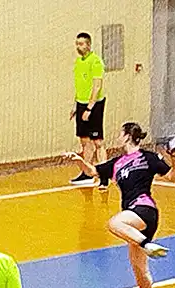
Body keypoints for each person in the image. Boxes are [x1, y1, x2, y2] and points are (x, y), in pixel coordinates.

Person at [63, 122, 175, 288]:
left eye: (120, 133)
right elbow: (92, 171)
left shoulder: (149, 157)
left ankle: (146, 244)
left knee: (114, 223)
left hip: (144, 209)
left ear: (127, 136)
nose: (117, 137)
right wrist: (79, 161)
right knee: (140, 270)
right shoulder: (116, 163)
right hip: (135, 223)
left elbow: (172, 177)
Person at [70, 32, 107, 185]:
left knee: (97, 142)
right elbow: (80, 86)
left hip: (94, 104)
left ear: (88, 45)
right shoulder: (79, 62)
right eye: (77, 44)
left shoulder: (96, 61)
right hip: (81, 103)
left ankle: (104, 176)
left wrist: (89, 108)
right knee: (84, 140)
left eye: (81, 44)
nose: (78, 47)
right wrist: (76, 106)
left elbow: (97, 86)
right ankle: (87, 173)